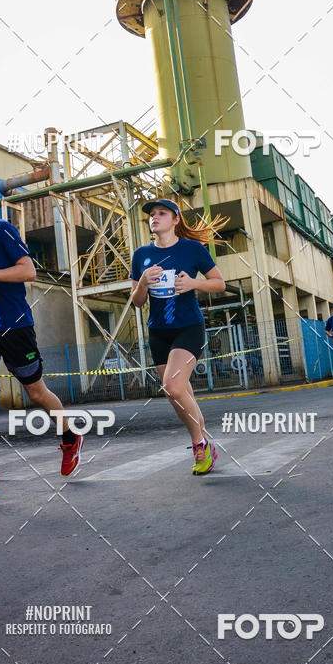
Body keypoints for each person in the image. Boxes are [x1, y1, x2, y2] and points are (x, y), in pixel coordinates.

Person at [0, 176, 79, 502]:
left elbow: (28, 272)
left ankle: (69, 436)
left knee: (36, 391)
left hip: (14, 325)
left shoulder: (3, 230)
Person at [130, 199, 226, 475]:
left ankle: (199, 443)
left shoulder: (192, 249)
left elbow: (219, 283)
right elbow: (137, 301)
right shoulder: (141, 255)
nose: (154, 217)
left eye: (161, 213)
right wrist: (145, 282)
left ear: (175, 220)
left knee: (171, 387)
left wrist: (194, 283)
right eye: (151, 214)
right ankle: (204, 441)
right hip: (158, 331)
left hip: (188, 327)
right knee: (178, 393)